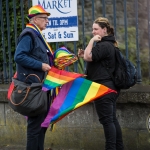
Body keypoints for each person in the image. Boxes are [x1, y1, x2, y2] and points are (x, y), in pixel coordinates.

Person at [78, 17, 124, 150]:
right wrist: (84, 54)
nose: (93, 32)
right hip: (111, 87)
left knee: (107, 121)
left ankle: (111, 148)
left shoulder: (103, 45)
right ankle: (119, 147)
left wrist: (92, 41)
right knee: (112, 120)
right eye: (93, 29)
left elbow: (88, 57)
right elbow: (95, 59)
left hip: (103, 88)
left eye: (96, 29)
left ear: (104, 30)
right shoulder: (110, 44)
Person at [14, 5, 53, 150]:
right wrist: (41, 65)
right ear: (35, 19)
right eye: (44, 18)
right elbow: (19, 56)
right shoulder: (29, 34)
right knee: (34, 127)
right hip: (32, 89)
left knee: (41, 126)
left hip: (39, 87)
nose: (47, 21)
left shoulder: (37, 35)